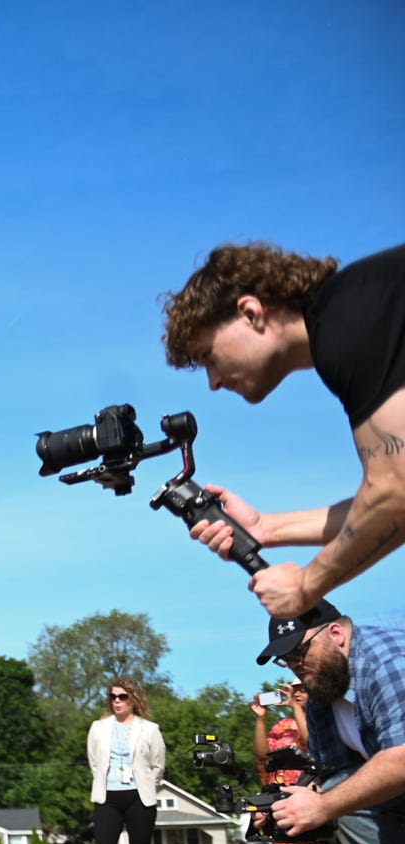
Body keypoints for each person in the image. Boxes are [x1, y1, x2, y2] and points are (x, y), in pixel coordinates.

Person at [161, 243, 405, 617]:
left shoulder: (349, 324)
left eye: (209, 356)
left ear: (250, 312)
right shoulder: (355, 310)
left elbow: (395, 491)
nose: (212, 381)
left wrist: (308, 585)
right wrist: (267, 528)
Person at [253, 601, 405, 844]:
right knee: (341, 791)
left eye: (300, 653)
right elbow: (330, 777)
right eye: (287, 660)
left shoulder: (390, 664)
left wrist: (322, 806)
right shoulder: (325, 692)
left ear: (336, 633)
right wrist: (278, 805)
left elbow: (400, 759)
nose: (296, 667)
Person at [84, 679, 167, 844]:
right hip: (108, 796)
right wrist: (107, 782)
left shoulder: (150, 729)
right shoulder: (98, 728)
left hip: (139, 797)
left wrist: (147, 785)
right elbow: (94, 763)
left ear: (134, 699)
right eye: (113, 697)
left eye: (123, 697)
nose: (117, 701)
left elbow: (158, 765)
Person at [252, 682, 320, 844]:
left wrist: (295, 707)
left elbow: (309, 740)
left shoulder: (320, 719)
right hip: (289, 793)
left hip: (314, 790)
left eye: (302, 689)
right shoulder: (282, 726)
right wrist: (261, 719)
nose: (298, 693)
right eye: (294, 690)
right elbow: (263, 754)